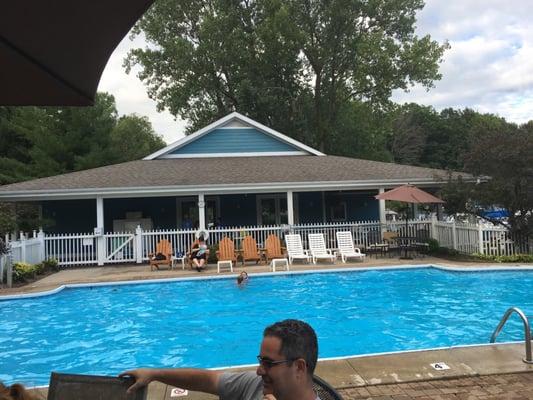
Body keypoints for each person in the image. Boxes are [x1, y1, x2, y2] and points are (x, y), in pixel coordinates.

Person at [120, 319, 320, 400]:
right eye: (260, 361)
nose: (259, 370)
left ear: (299, 368)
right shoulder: (256, 385)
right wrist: (154, 374)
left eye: (269, 363)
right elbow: (209, 380)